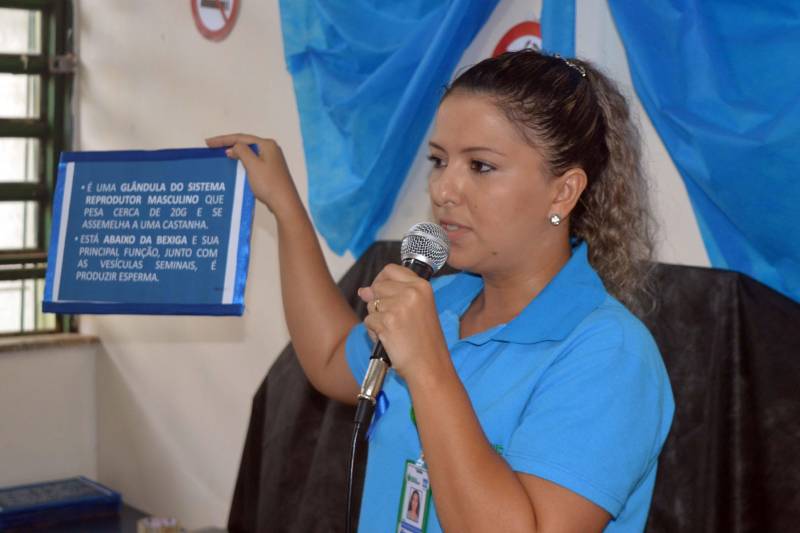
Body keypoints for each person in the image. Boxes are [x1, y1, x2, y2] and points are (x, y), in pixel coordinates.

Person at [207, 49, 674, 533]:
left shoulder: (611, 355)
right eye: (438, 160)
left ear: (562, 191)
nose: (443, 189)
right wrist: (286, 206)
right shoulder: (446, 300)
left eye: (481, 166)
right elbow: (330, 361)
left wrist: (429, 366)